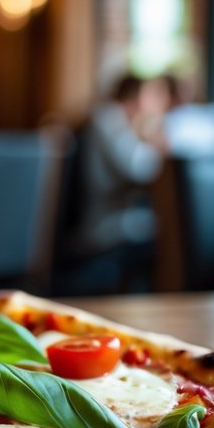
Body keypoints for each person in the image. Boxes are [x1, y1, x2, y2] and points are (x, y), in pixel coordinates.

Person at [67, 73, 173, 292]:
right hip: (102, 221)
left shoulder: (115, 120)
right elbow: (138, 168)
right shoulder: (108, 117)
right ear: (136, 97)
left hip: (114, 214)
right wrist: (156, 143)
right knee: (166, 231)